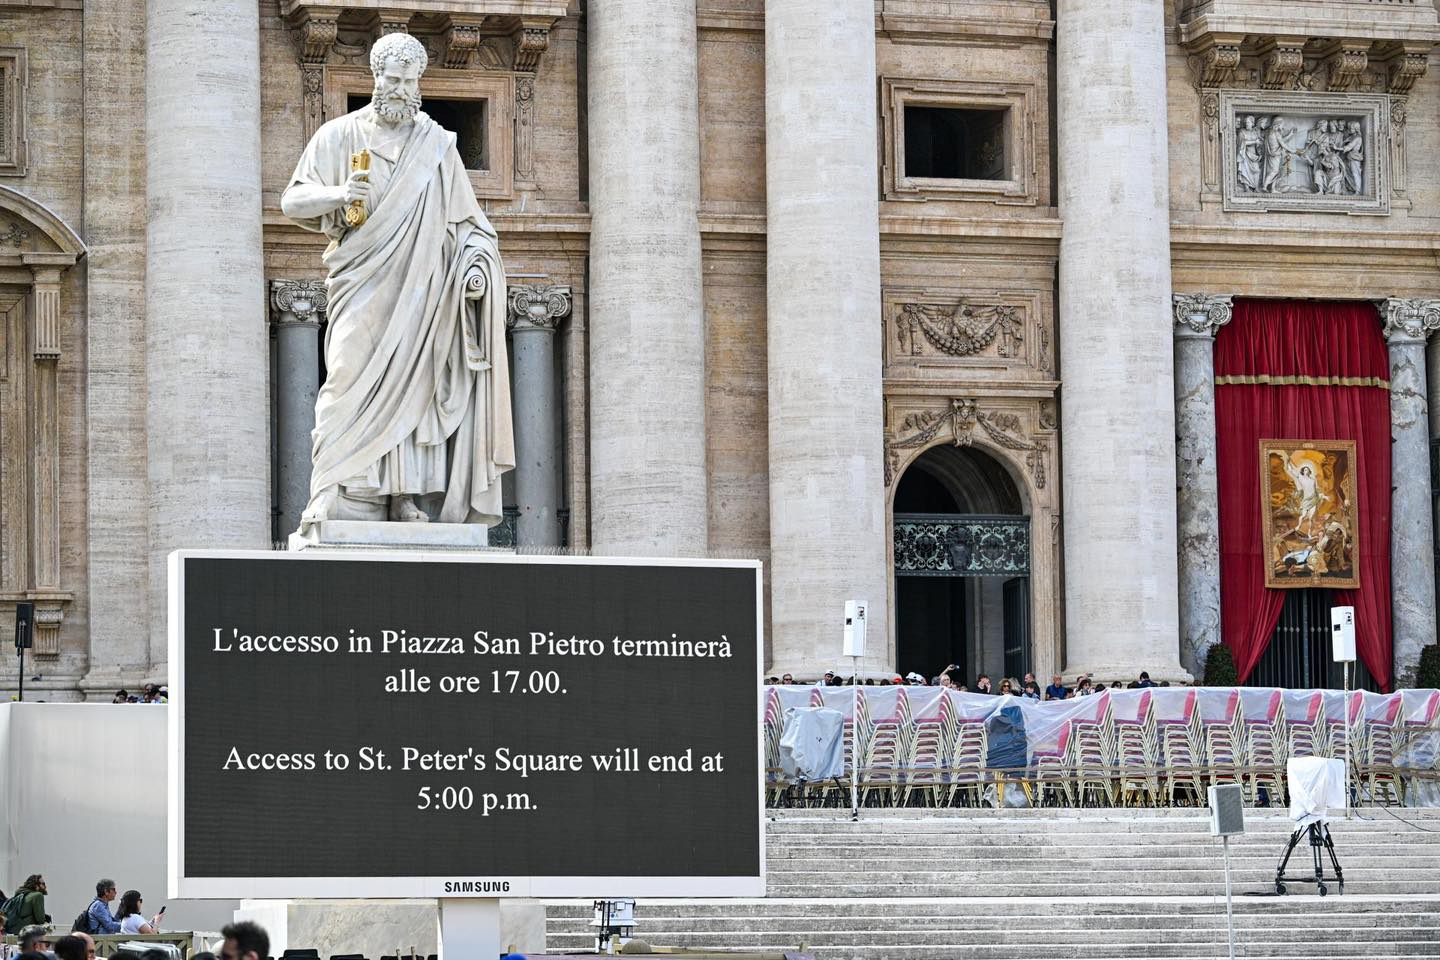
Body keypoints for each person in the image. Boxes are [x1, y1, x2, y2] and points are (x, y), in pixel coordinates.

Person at [281, 31, 513, 532]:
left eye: (411, 82)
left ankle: (401, 498)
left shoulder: (436, 147)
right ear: (376, 79)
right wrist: (340, 193)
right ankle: (330, 489)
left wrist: (475, 267)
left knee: (415, 383)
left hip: (420, 289)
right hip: (361, 281)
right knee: (345, 378)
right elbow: (292, 202)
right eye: (394, 80)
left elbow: (470, 226)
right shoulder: (339, 136)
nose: (404, 90)